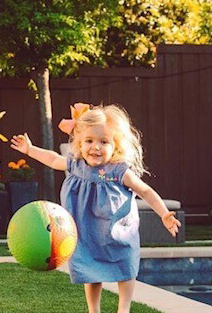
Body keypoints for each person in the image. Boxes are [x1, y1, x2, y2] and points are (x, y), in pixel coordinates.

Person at [10, 103, 181, 313]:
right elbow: (54, 159)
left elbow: (145, 191)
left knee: (125, 266)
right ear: (79, 144)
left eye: (104, 141)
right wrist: (30, 150)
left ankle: (124, 309)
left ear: (115, 146)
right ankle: (94, 310)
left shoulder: (119, 170)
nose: (95, 147)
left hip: (117, 230)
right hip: (86, 230)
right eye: (89, 141)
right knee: (89, 270)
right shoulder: (77, 165)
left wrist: (164, 214)